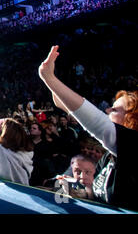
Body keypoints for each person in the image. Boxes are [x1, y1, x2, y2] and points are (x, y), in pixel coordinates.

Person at [38, 45, 138, 211]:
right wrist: (74, 190)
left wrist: (49, 78)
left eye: (114, 109)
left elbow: (97, 122)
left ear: (131, 118)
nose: (107, 110)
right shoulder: (108, 158)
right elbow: (96, 195)